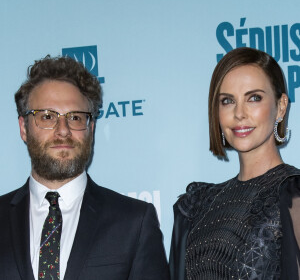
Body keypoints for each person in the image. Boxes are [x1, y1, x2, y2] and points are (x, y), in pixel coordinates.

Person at [0, 56, 169, 280]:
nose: (63, 130)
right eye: (48, 116)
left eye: (76, 118)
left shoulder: (134, 222)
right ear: (23, 127)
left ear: (91, 128)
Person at [169, 47, 300, 280]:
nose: (239, 113)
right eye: (228, 101)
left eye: (254, 98)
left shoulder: (294, 196)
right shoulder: (197, 205)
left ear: (281, 107)